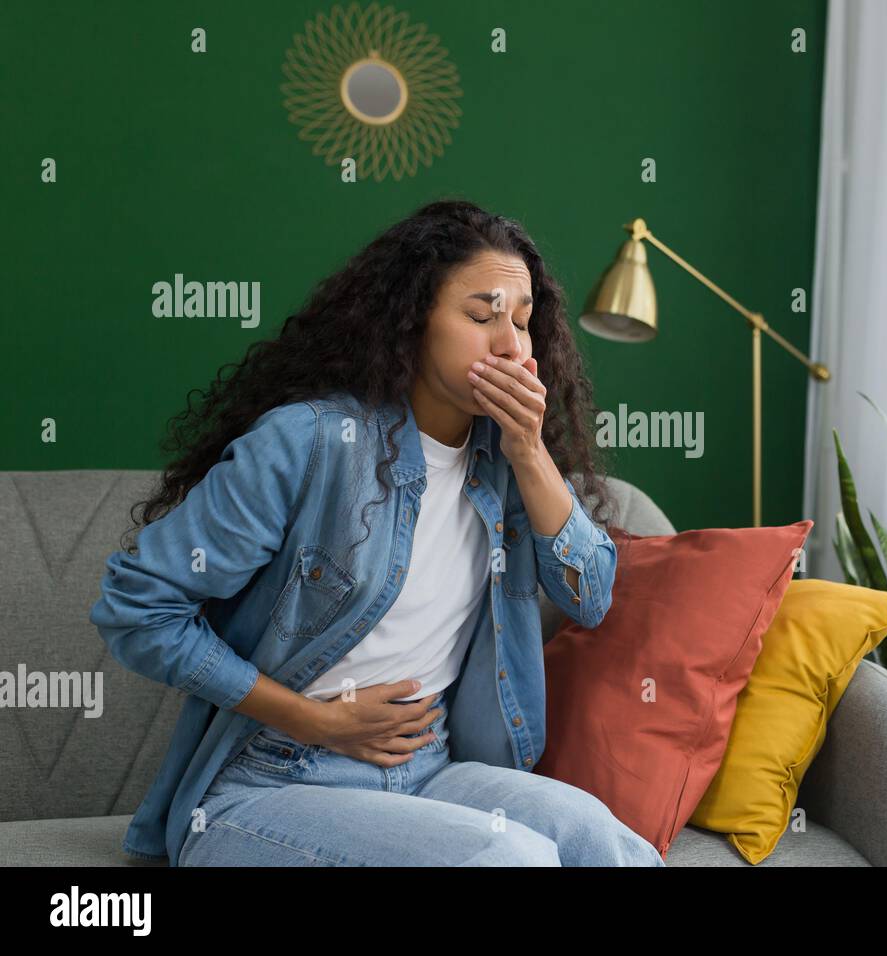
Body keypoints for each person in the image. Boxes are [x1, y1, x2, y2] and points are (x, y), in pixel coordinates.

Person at [89, 198, 666, 867]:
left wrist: (533, 455)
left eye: (525, 320)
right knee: (512, 861)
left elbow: (589, 596)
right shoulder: (308, 444)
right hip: (269, 786)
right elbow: (136, 611)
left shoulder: (507, 459)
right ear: (410, 322)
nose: (510, 343)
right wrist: (315, 720)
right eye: (481, 316)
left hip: (427, 772)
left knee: (600, 841)